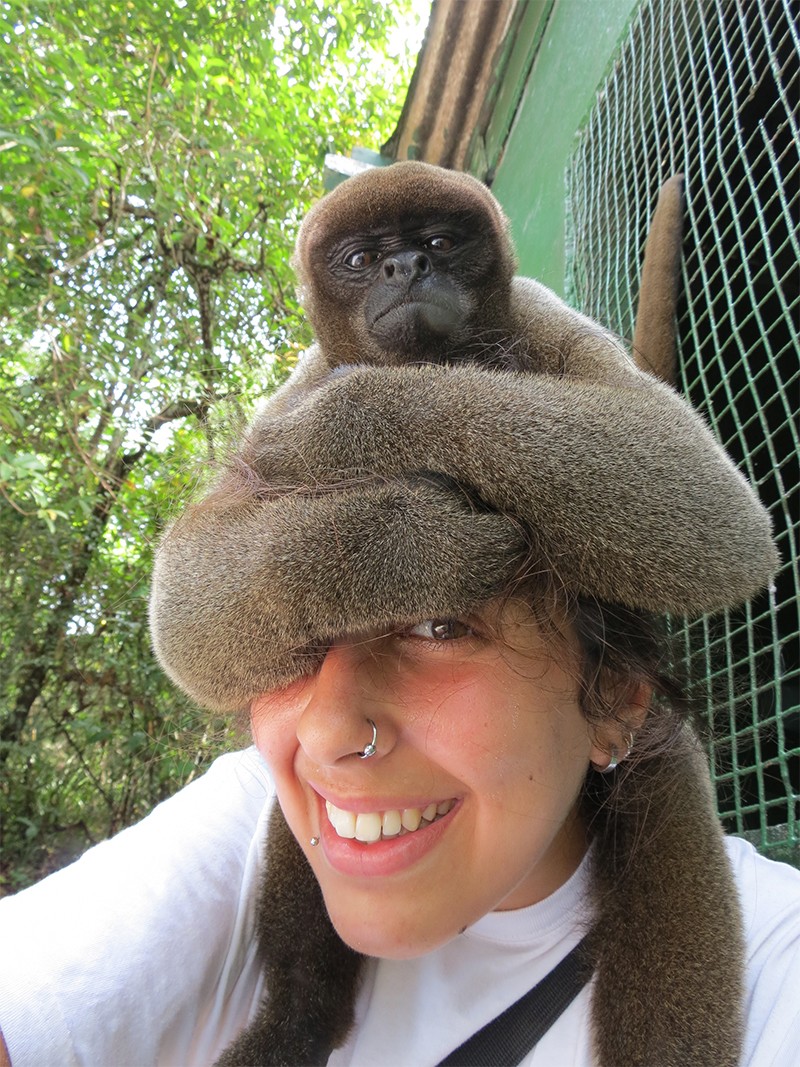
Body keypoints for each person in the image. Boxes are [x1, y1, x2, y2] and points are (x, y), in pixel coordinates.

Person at [1, 211, 799, 1067]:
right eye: (365, 261)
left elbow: (729, 540)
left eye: (439, 626)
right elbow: (191, 630)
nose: (407, 273)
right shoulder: (248, 818)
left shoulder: (776, 964)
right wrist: (370, 555)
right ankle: (299, 1018)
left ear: (498, 260)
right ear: (317, 294)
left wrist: (396, 414)